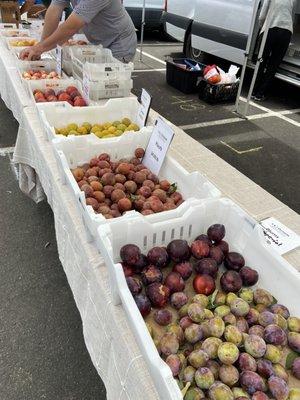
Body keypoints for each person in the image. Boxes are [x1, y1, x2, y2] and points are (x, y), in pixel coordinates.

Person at [19, 0, 137, 63]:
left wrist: (39, 48)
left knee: (105, 86)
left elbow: (71, 26)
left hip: (118, 44)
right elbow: (54, 9)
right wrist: (40, 47)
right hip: (99, 42)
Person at [252, 0, 296, 101]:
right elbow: (292, 17)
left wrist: (262, 27)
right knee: (274, 64)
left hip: (270, 29)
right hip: (286, 32)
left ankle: (254, 91)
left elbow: (262, 16)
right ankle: (260, 94)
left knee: (261, 61)